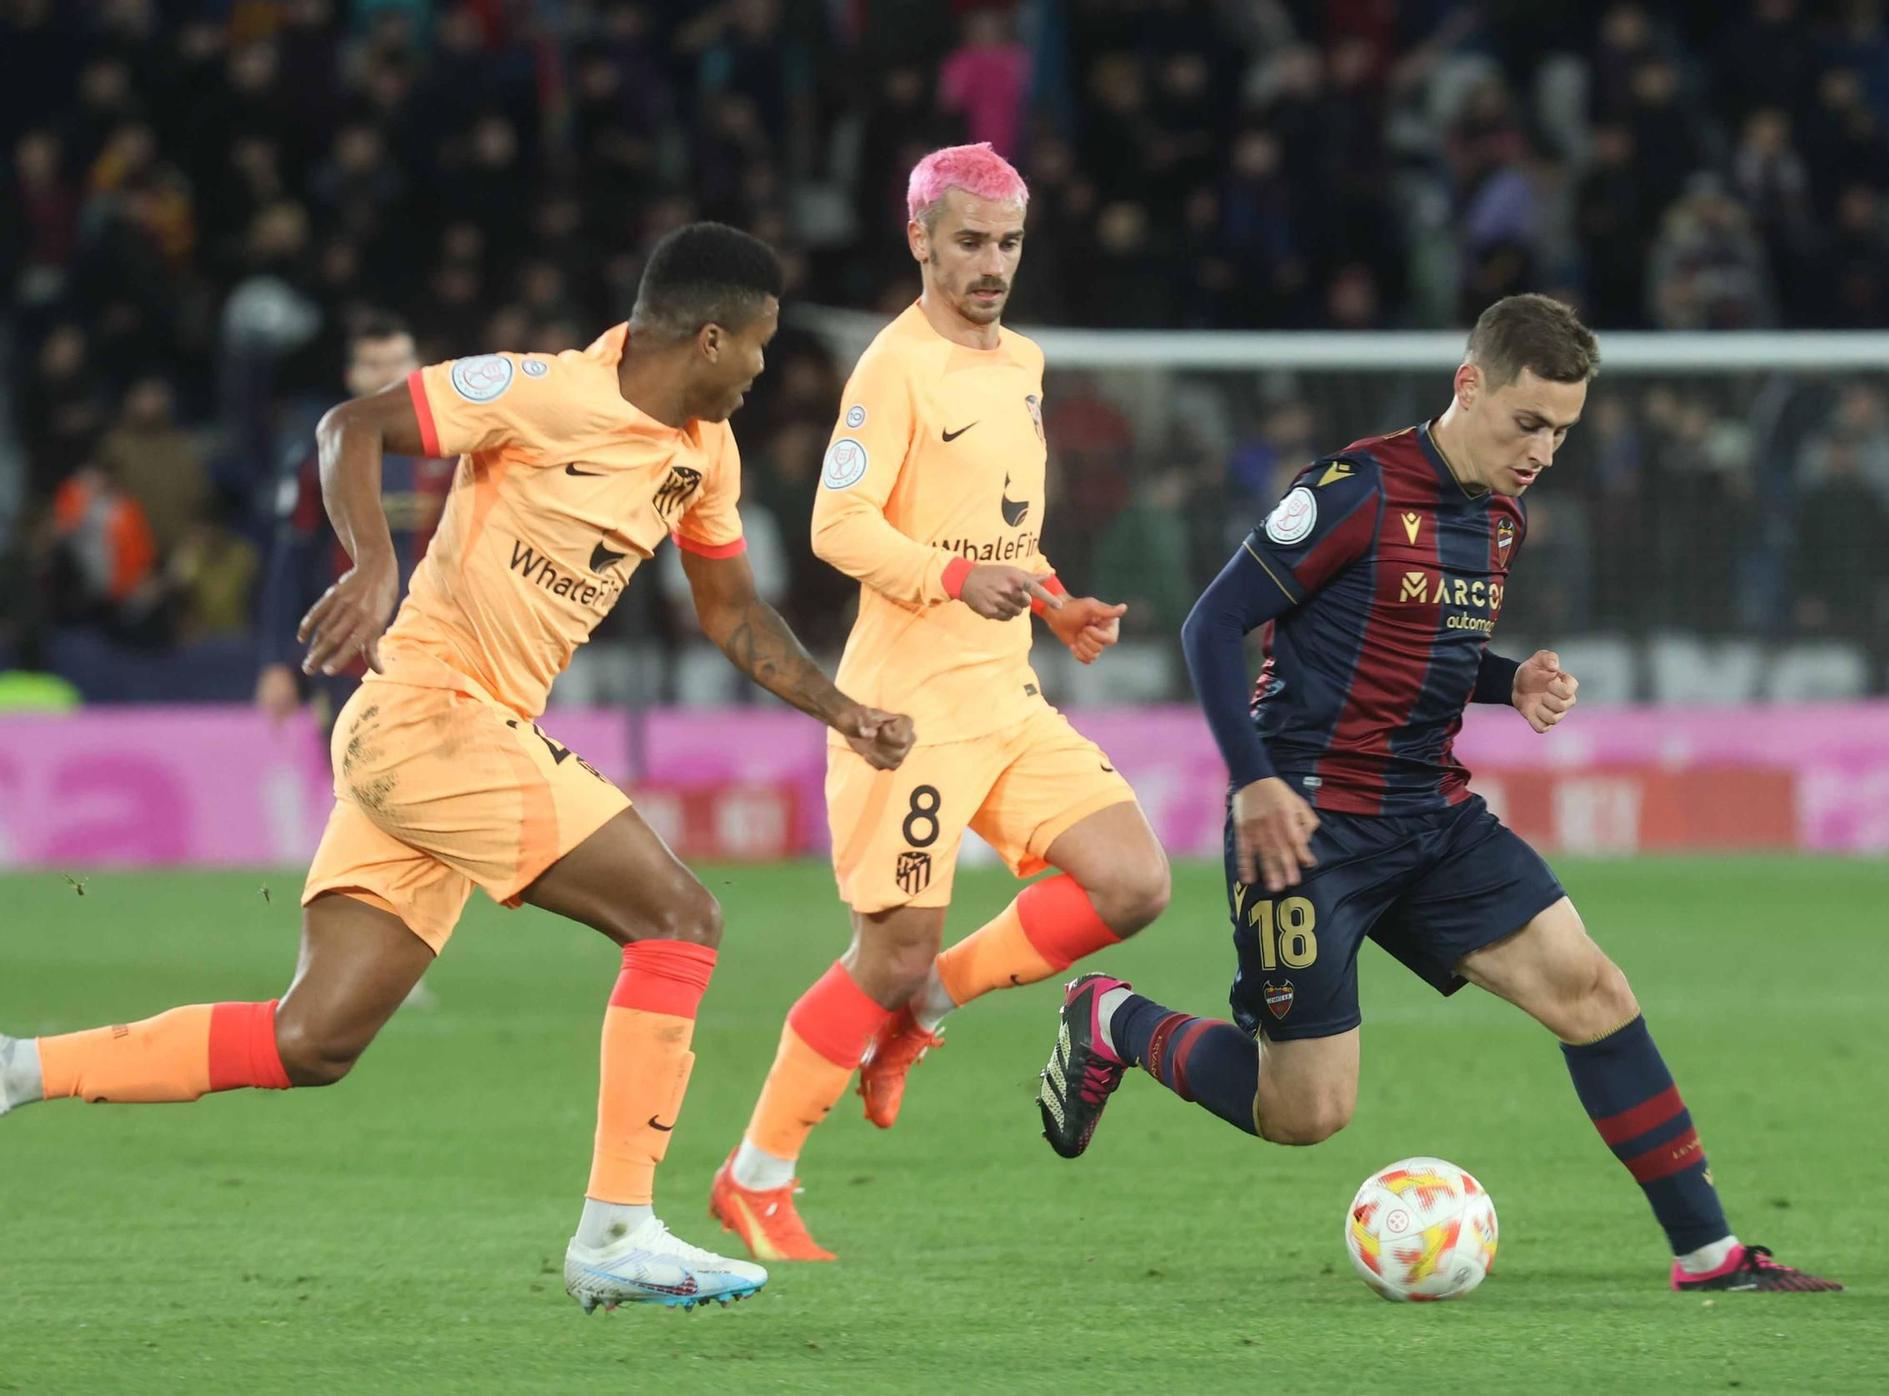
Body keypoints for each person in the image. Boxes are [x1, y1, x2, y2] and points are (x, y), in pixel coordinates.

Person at [0, 223, 915, 1314]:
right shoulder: (540, 391)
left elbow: (729, 610)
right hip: (434, 715)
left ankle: (18, 1067)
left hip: (438, 742)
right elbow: (351, 426)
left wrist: (842, 708)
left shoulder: (700, 456)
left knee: (314, 1039)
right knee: (680, 919)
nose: (766, 372)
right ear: (709, 336)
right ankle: (616, 1230)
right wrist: (375, 560)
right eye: (759, 347)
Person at [1033, 294, 1841, 1294]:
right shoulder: (1353, 488)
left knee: (1592, 992)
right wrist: (1251, 787)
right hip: (1303, 826)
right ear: (1469, 384)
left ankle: (1708, 1255)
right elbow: (1210, 626)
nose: (1541, 449)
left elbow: (1421, 649)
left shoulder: (1500, 515)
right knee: (1305, 1111)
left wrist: (1510, 682)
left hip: (1428, 814)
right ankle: (1110, 1020)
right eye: (1527, 421)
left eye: (1561, 430)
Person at [709, 144, 1171, 1262]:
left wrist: (1052, 602)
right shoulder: (891, 366)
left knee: (1131, 879)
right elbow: (839, 525)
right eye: (968, 242)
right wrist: (960, 580)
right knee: (889, 949)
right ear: (918, 237)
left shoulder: (1022, 361)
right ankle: (755, 1176)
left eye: (1007, 244)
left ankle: (923, 1015)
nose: (990, 265)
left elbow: (999, 528)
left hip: (1004, 692)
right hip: (904, 709)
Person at [254, 313, 455, 735]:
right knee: (364, 792)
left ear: (418, 368)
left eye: (398, 360)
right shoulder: (319, 458)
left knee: (439, 793)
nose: (388, 373)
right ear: (352, 375)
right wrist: (276, 661)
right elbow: (290, 564)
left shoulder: (456, 451)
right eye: (374, 364)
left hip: (441, 657)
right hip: (349, 662)